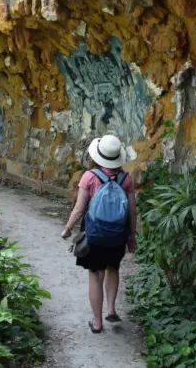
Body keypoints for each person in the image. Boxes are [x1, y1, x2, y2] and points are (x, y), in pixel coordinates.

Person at [61, 135, 137, 334]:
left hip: (94, 236)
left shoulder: (89, 177)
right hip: (117, 236)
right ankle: (111, 310)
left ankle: (97, 323)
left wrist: (68, 228)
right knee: (113, 268)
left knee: (96, 276)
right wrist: (131, 237)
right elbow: (132, 211)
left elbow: (79, 209)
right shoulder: (126, 179)